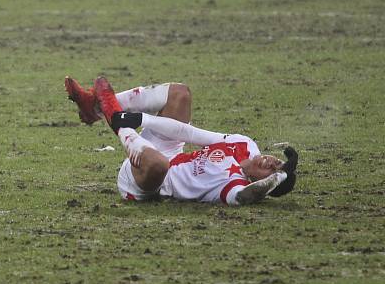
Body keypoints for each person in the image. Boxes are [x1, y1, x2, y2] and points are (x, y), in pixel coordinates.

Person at [64, 76, 297, 205]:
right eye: (277, 161)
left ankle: (112, 115)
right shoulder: (245, 145)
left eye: (273, 171)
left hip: (147, 182)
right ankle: (94, 108)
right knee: (180, 93)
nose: (271, 163)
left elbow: (248, 196)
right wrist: (142, 118)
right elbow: (190, 134)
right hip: (170, 153)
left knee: (159, 165)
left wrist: (278, 178)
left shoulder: (234, 187)